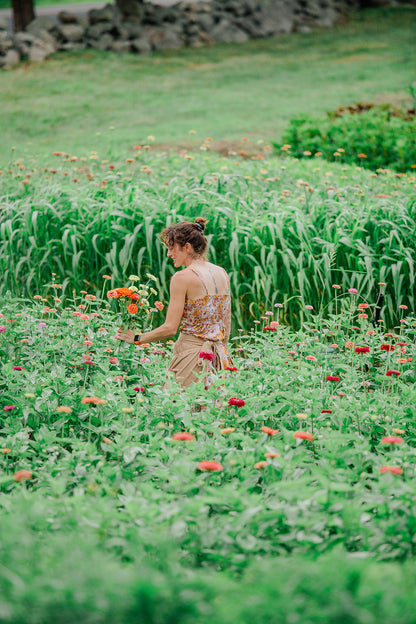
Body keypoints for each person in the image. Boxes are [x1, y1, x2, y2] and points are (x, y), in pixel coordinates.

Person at [115, 217, 233, 388]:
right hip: (220, 359)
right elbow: (226, 323)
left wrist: (137, 338)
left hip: (191, 359)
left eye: (172, 248)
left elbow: (170, 328)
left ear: (187, 247)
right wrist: (219, 354)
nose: (169, 254)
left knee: (177, 410)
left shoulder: (182, 277)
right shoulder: (221, 272)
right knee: (213, 410)